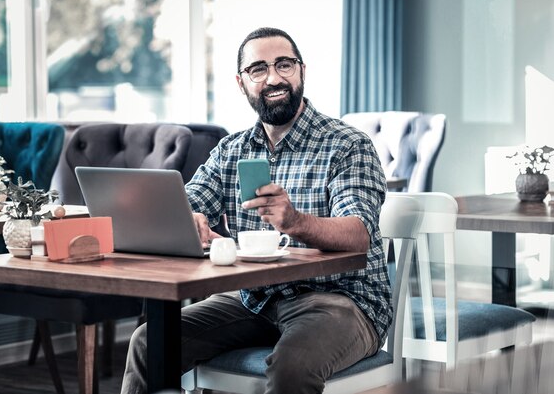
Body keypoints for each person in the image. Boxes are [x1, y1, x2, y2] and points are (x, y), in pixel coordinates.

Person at [120, 27, 391, 394]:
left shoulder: (347, 145)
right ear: (241, 82)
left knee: (291, 364)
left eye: (284, 65)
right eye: (258, 69)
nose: (274, 78)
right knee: (147, 343)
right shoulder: (231, 150)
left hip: (342, 301)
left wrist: (295, 222)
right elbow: (188, 201)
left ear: (302, 71)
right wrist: (188, 220)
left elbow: (358, 235)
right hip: (255, 298)